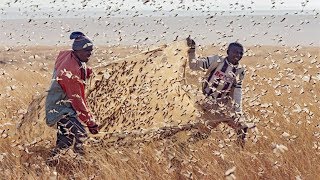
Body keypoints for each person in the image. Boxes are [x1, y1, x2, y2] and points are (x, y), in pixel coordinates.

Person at [45, 31, 99, 166]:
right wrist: (90, 122)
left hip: (61, 107)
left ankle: (50, 166)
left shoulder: (70, 56)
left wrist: (87, 71)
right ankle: (80, 165)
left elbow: (81, 67)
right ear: (78, 50)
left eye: (91, 51)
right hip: (61, 110)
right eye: (87, 51)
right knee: (81, 135)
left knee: (65, 141)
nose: (89, 54)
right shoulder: (70, 71)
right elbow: (77, 100)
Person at [186, 37, 248, 147]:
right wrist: (192, 49)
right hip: (207, 102)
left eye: (240, 53)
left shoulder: (240, 71)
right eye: (235, 52)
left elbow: (238, 91)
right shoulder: (216, 61)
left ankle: (240, 155)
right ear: (228, 52)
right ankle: (182, 147)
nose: (238, 55)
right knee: (203, 133)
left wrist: (238, 111)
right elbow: (194, 65)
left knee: (242, 127)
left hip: (224, 104)